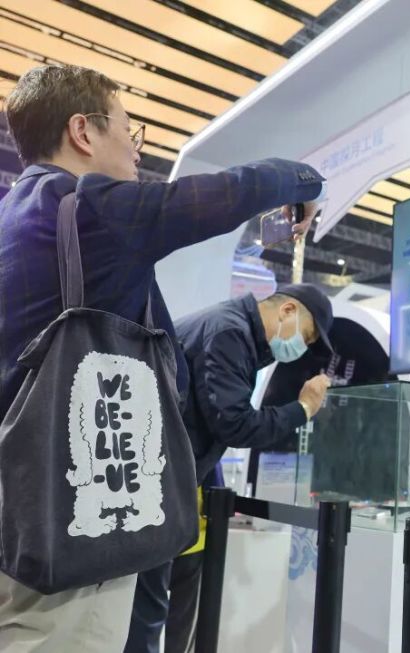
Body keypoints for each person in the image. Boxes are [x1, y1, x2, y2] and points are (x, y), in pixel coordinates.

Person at [0, 64, 324, 652]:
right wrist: (303, 181)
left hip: (20, 501)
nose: (136, 148)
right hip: (77, 520)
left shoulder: (12, 216)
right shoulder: (92, 208)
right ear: (83, 131)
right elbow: (227, 193)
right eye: (129, 129)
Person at [125, 284, 334, 653]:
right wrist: (303, 408)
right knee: (146, 612)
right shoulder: (229, 332)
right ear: (287, 310)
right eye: (306, 336)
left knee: (152, 607)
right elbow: (234, 424)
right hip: (154, 483)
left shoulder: (232, 331)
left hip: (164, 481)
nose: (301, 347)